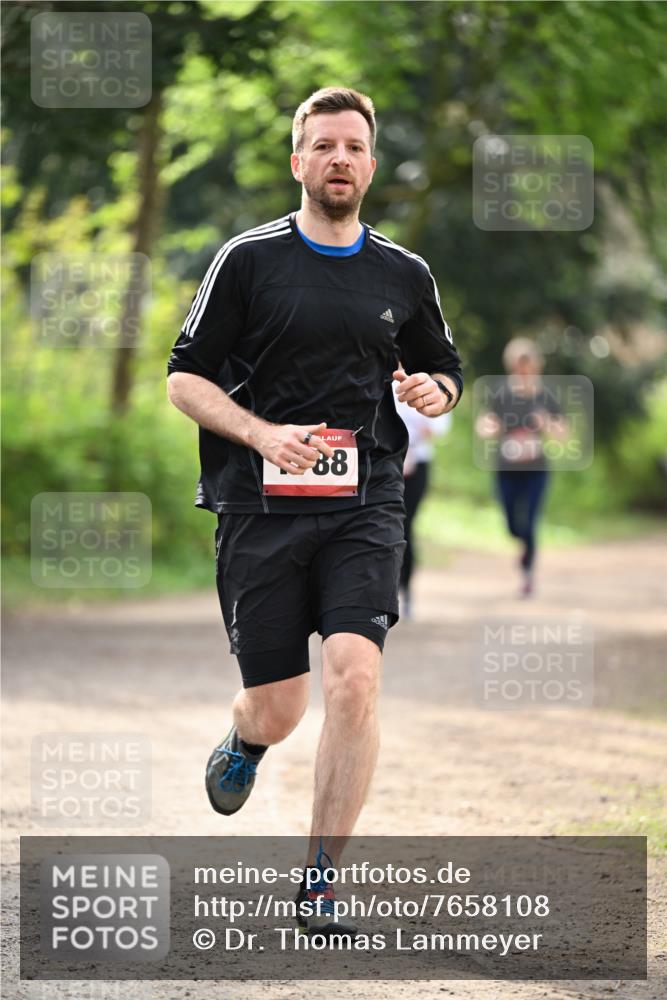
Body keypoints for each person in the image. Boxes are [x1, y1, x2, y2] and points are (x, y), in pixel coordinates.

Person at [167, 86, 463, 934]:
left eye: (354, 147)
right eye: (323, 146)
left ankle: (323, 877)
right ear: (298, 161)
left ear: (371, 165)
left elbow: (442, 365)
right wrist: (260, 435)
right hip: (257, 505)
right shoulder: (248, 261)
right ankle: (246, 740)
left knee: (355, 678)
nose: (340, 159)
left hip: (366, 497)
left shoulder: (402, 273)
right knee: (281, 705)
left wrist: (433, 390)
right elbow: (184, 378)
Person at [475, 338, 567, 597]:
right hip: (506, 468)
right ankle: (522, 545)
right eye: (519, 367)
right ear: (512, 367)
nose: (523, 372)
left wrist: (547, 422)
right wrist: (488, 428)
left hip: (536, 469)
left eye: (528, 366)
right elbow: (484, 423)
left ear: (536, 367)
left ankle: (527, 572)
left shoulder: (546, 395)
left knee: (530, 522)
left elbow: (562, 431)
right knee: (512, 525)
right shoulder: (502, 394)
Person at [393, 379, 452, 618]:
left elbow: (440, 421)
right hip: (386, 463)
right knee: (385, 527)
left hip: (417, 463)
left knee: (405, 526)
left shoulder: (424, 378)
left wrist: (427, 428)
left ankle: (405, 589)